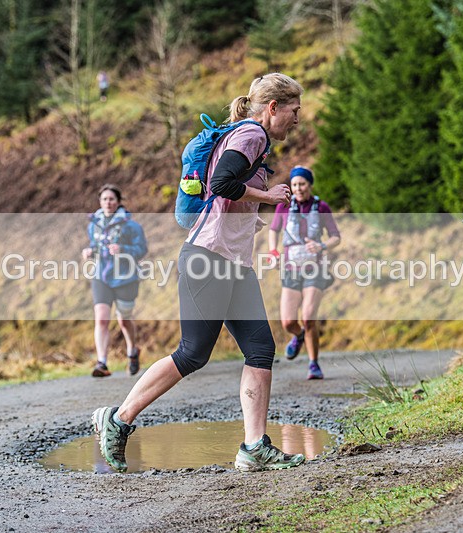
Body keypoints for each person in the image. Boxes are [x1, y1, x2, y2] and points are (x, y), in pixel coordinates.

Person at [91, 73, 306, 472]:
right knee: (192, 353)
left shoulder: (251, 140)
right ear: (273, 107)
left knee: (261, 349)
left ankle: (254, 446)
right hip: (208, 258)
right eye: (294, 110)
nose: (297, 119)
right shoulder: (252, 135)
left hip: (234, 262)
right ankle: (118, 419)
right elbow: (222, 182)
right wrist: (268, 195)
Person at [268, 166, 340, 379]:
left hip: (315, 270)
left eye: (302, 184)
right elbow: (273, 230)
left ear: (310, 185)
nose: (298, 188)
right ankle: (298, 336)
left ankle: (313, 364)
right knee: (288, 322)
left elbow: (336, 236)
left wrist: (322, 246)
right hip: (291, 270)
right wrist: (273, 251)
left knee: (308, 318)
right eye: (295, 184)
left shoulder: (321, 207)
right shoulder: (283, 206)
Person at [82, 185, 147, 377]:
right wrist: (90, 251)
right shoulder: (93, 224)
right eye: (104, 199)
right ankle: (101, 362)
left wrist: (123, 249)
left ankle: (132, 351)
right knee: (101, 318)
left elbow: (142, 249)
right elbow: (95, 245)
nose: (108, 203)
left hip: (125, 277)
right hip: (101, 276)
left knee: (124, 320)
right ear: (100, 202)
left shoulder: (131, 226)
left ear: (118, 202)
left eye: (111, 199)